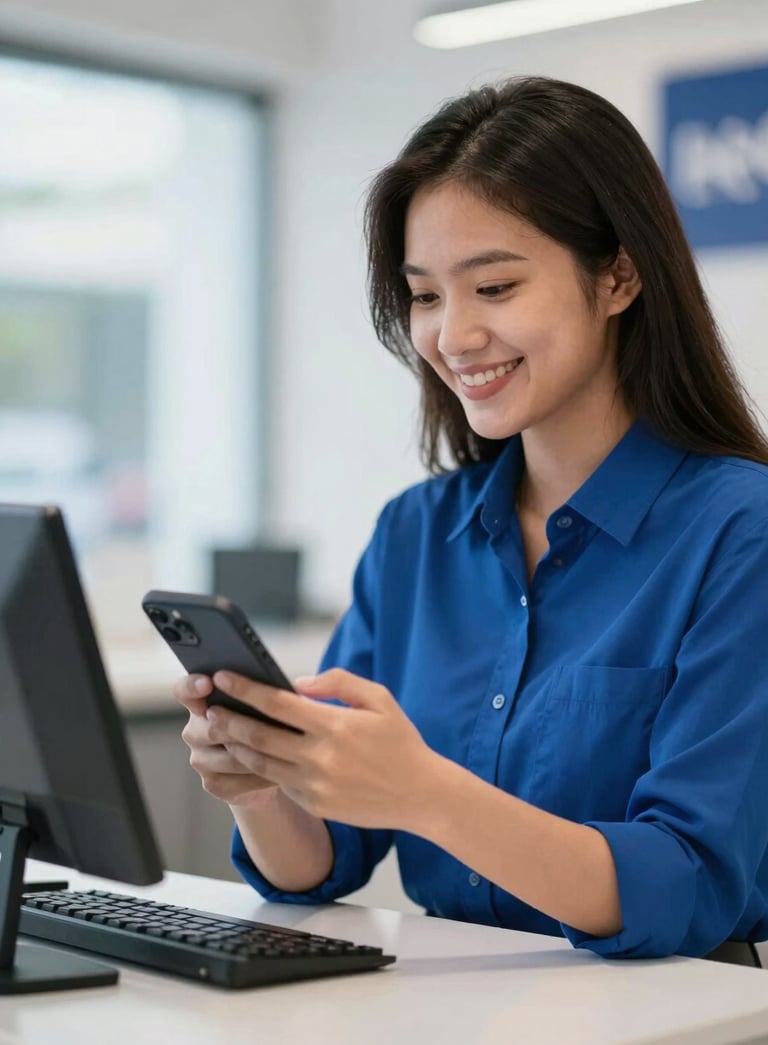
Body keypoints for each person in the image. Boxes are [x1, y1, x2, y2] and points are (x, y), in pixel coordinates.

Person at [174, 76, 768, 963]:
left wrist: (426, 794)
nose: (453, 335)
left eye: (493, 286)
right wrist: (263, 788)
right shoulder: (414, 535)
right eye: (424, 296)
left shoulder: (739, 531)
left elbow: (685, 878)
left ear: (618, 276)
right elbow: (321, 861)